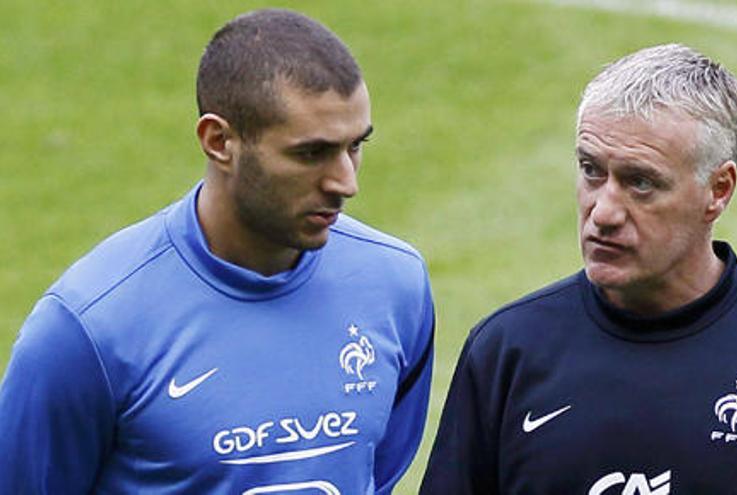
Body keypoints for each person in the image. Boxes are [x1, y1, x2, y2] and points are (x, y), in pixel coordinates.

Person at [0, 9, 434, 494]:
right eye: (311, 153)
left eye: (355, 146)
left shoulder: (395, 286)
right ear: (219, 141)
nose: (346, 182)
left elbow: (376, 475)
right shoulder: (90, 327)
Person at [420, 43, 737, 494]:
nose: (603, 211)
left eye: (640, 182)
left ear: (718, 190)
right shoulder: (507, 351)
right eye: (591, 170)